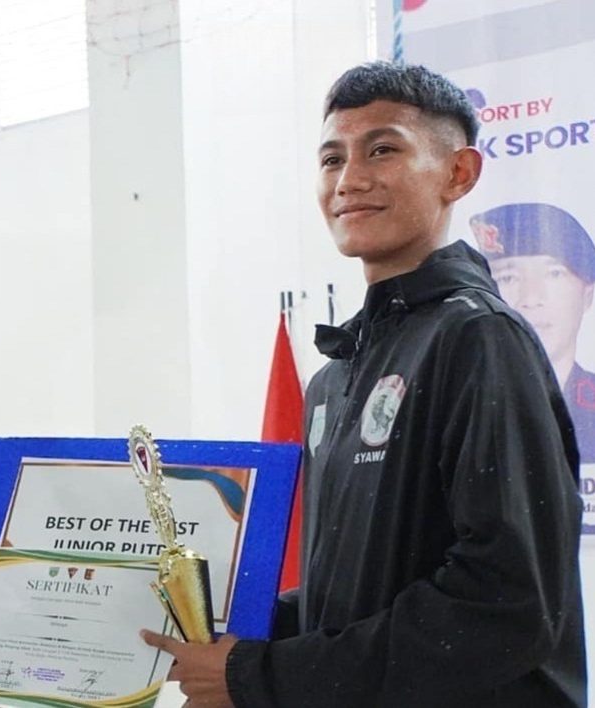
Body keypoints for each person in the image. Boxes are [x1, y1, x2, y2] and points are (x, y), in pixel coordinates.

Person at [142, 62, 585, 707]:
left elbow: (504, 604)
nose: (349, 180)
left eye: (382, 150)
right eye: (331, 159)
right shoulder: (334, 376)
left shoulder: (479, 339)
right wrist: (218, 630)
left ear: (459, 173)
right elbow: (349, 598)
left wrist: (260, 676)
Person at [472, 202, 595, 462]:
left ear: (587, 294)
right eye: (508, 277)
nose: (531, 298)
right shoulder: (455, 407)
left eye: (554, 274)